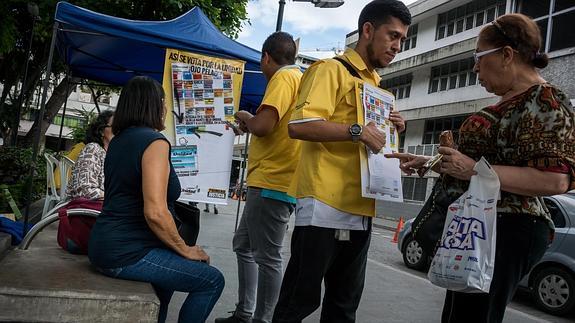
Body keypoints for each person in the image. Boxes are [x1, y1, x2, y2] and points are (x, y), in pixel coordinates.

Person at [386, 13, 575, 323]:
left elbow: (555, 179)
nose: (474, 68)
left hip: (508, 226)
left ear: (506, 55)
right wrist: (428, 162)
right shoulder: (511, 100)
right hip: (480, 223)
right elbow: (482, 162)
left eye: (478, 58)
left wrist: (472, 168)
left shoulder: (546, 102)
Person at [272, 1, 410, 322]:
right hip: (323, 207)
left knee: (344, 307)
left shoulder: (376, 86)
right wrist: (358, 130)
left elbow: (370, 142)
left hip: (361, 208)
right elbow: (299, 125)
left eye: (402, 39)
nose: (396, 46)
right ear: (367, 30)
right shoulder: (330, 69)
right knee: (298, 303)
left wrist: (392, 130)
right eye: (392, 36)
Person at [88, 76, 224, 323]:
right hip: (126, 252)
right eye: (163, 102)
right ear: (154, 105)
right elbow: (156, 212)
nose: (165, 109)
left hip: (105, 245)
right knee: (211, 280)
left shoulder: (118, 141)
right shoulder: (154, 143)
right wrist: (185, 249)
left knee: (163, 291)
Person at [215, 32, 302, 323]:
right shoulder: (298, 78)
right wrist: (249, 125)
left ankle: (262, 319)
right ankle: (245, 313)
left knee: (268, 257)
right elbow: (268, 127)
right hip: (273, 180)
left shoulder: (283, 78)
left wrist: (244, 115)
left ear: (266, 57)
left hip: (272, 181)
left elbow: (264, 125)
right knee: (244, 245)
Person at [66, 110, 114, 201]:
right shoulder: (93, 149)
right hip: (89, 209)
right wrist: (115, 198)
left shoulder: (112, 154)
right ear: (101, 131)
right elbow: (84, 189)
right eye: (115, 127)